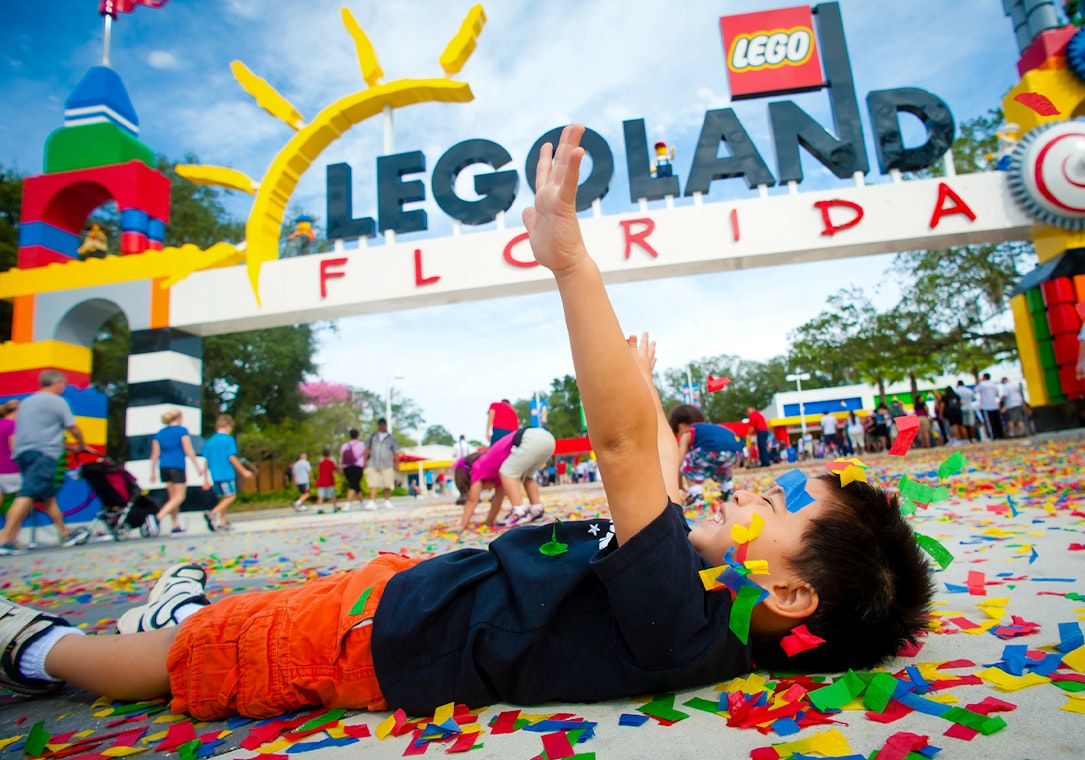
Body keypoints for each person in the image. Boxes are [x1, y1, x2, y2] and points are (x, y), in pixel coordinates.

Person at [0, 125, 933, 723]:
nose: (744, 486)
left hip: (370, 641)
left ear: (793, 597)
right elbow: (653, 452)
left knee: (181, 661)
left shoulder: (682, 623)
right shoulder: (700, 583)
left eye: (771, 500)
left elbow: (620, 454)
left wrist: (571, 265)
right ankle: (186, 610)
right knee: (240, 619)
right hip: (409, 596)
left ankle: (41, 650)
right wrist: (648, 392)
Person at [0, 373, 94, 554]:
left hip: (24, 454)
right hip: (43, 455)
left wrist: (70, 448)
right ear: (57, 383)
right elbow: (72, 427)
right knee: (27, 493)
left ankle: (65, 533)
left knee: (47, 495)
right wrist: (81, 444)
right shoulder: (56, 401)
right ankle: (4, 539)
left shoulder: (27, 402)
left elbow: (38, 434)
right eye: (64, 385)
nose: (64, 388)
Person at [460, 426, 557, 529]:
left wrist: (463, 525)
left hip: (529, 438)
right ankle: (537, 510)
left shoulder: (477, 467)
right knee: (527, 476)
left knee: (507, 472)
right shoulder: (495, 468)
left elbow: (472, 500)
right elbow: (498, 497)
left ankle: (519, 513)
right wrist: (489, 521)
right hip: (548, 439)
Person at [669, 405, 744, 508]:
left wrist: (678, 480)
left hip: (714, 450)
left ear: (681, 427)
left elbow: (680, 460)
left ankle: (696, 496)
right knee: (721, 468)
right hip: (737, 451)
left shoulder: (689, 431)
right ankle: (728, 491)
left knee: (688, 460)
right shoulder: (710, 428)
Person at [150, 409, 206, 536]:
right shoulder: (182, 431)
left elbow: (154, 454)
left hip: (163, 466)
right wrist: (197, 466)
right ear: (179, 418)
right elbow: (188, 449)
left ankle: (175, 525)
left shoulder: (159, 434)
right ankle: (157, 517)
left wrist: (152, 472)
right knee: (180, 497)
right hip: (177, 466)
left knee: (172, 498)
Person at [200, 415, 252, 532]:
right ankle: (213, 513)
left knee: (224, 498)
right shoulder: (228, 440)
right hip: (226, 474)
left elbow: (205, 462)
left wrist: (205, 480)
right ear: (228, 426)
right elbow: (232, 457)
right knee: (231, 496)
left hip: (214, 475)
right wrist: (243, 471)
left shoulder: (209, 442)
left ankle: (222, 521)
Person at [366, 418, 400, 510]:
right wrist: (365, 460)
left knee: (387, 483)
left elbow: (396, 451)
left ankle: (387, 500)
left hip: (387, 463)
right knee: (373, 483)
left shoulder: (391, 437)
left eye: (383, 425)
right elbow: (367, 449)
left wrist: (397, 464)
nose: (381, 426)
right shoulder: (372, 436)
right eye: (380, 425)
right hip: (373, 463)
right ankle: (372, 501)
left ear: (385, 425)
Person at [339, 429, 368, 512]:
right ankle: (348, 503)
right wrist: (365, 462)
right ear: (358, 435)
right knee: (354, 485)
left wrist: (341, 467)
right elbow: (366, 455)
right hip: (357, 466)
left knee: (355, 485)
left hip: (346, 467)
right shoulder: (362, 444)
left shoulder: (345, 445)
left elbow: (341, 456)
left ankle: (362, 503)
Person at [0, 401, 21, 512]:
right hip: (10, 469)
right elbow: (15, 449)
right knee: (24, 498)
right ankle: (12, 525)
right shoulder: (12, 425)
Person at [975, 374, 1004, 440]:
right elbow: (997, 394)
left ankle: (993, 436)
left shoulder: (981, 384)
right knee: (997, 421)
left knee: (990, 423)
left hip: (986, 406)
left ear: (984, 377)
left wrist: (978, 382)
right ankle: (1000, 435)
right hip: (994, 405)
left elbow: (975, 390)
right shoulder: (993, 384)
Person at [315, 447, 339, 513]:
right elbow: (334, 470)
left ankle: (320, 508)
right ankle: (335, 506)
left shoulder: (321, 463)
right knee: (332, 494)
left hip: (321, 480)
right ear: (329, 454)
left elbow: (319, 470)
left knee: (321, 495)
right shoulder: (330, 462)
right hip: (329, 480)